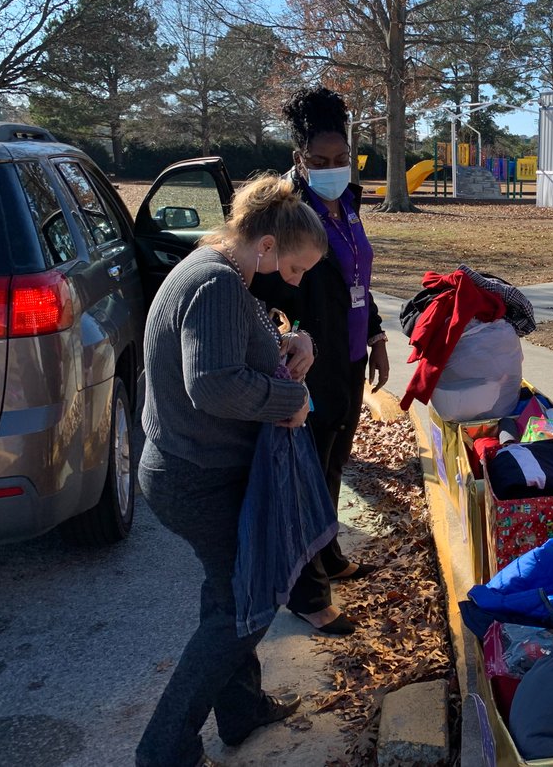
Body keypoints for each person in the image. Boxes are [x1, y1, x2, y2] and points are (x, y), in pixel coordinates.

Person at [136, 174, 327, 767]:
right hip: (193, 479)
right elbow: (213, 383)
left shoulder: (219, 271)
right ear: (266, 245)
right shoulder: (217, 281)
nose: (292, 281)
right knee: (244, 608)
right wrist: (287, 403)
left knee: (230, 593)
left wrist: (294, 341)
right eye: (293, 269)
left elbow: (233, 348)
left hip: (197, 472)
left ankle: (241, 711)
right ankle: (164, 750)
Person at [251, 85, 389, 636]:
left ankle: (326, 553)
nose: (332, 169)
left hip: (351, 355)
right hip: (309, 362)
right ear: (298, 157)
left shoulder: (349, 203)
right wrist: (289, 342)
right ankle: (305, 593)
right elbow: (267, 291)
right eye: (319, 161)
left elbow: (359, 277)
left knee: (333, 462)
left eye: (341, 159)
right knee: (304, 473)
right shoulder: (288, 212)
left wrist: (376, 334)